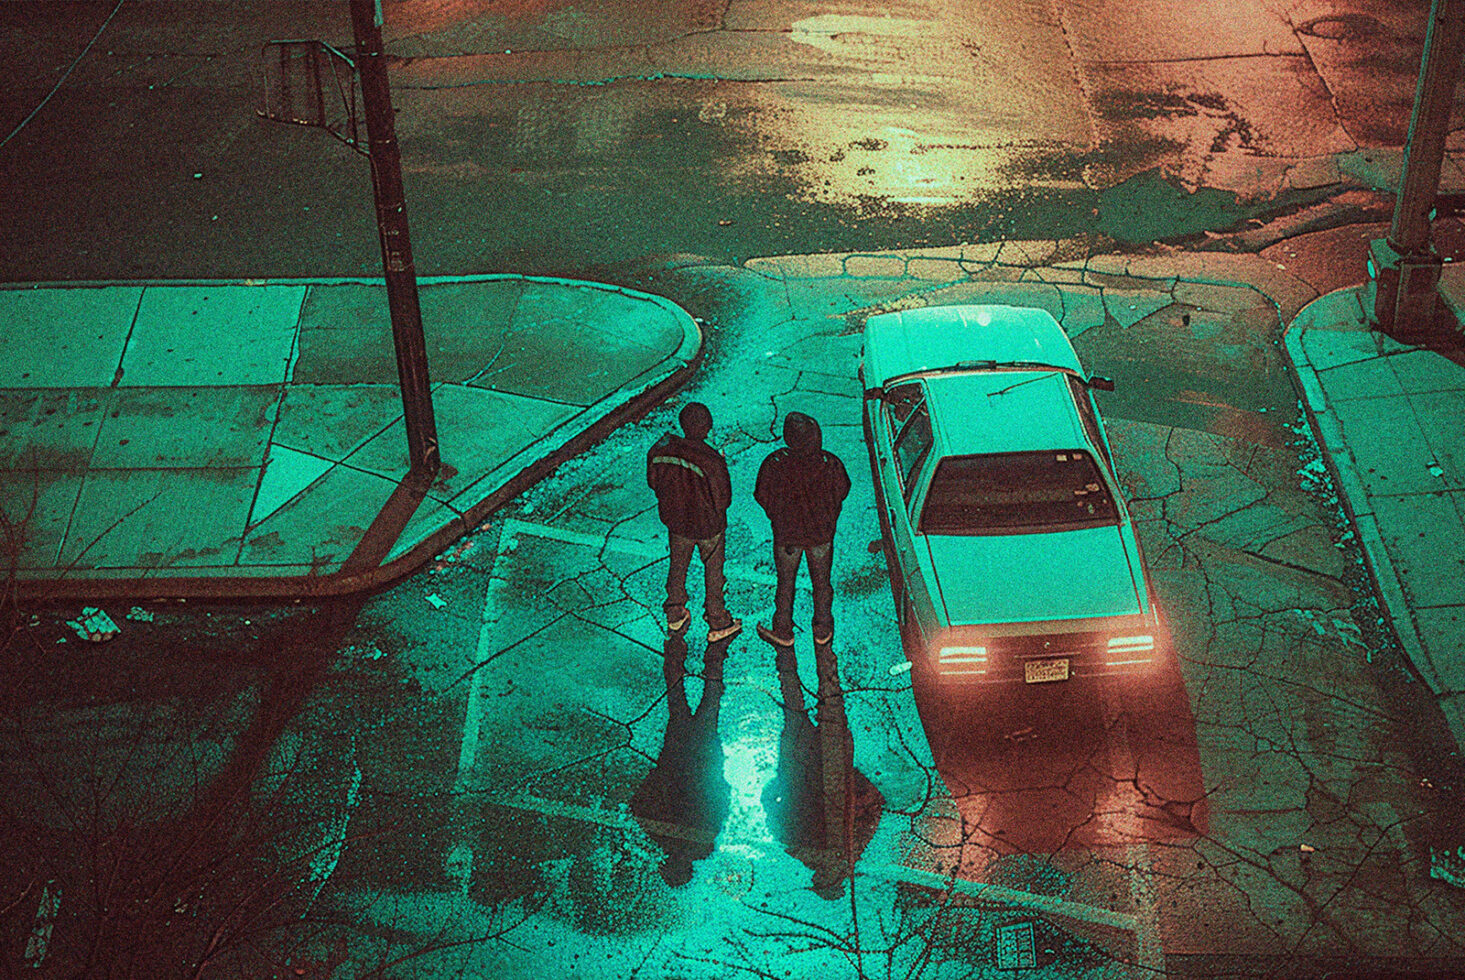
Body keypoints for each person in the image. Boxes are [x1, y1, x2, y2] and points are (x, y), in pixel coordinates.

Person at [647, 402, 742, 642]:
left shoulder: (661, 449)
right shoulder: (710, 460)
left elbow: (653, 482)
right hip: (708, 526)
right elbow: (723, 500)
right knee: (713, 571)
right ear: (707, 428)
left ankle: (674, 613)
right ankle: (718, 619)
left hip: (677, 521)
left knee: (678, 566)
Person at [753, 411, 850, 647]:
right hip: (820, 535)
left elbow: (761, 495)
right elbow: (842, 491)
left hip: (787, 537)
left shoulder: (774, 462)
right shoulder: (830, 463)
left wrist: (776, 515)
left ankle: (783, 629)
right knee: (822, 582)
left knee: (785, 582)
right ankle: (822, 627)